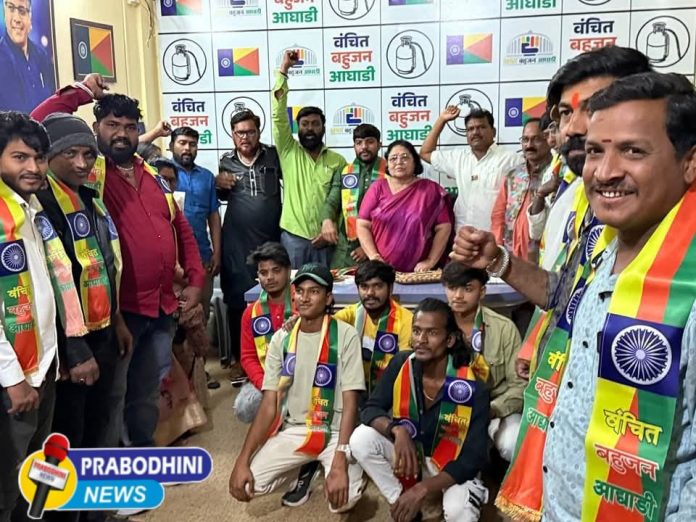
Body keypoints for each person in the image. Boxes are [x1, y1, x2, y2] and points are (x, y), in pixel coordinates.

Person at [458, 72, 696, 521]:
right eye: (596, 151)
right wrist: (499, 260)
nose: (605, 171)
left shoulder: (688, 285)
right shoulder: (604, 244)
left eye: (633, 151)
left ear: (689, 162)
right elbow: (561, 295)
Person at [31, 72, 206, 449]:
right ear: (96, 128)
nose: (122, 134)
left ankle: (138, 459)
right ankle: (112, 470)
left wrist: (195, 279)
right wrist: (80, 92)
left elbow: (180, 227)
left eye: (129, 126)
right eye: (112, 125)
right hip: (118, 312)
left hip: (160, 308)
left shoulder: (151, 172)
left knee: (146, 392)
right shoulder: (89, 172)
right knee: (111, 400)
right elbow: (37, 125)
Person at [35, 113, 132, 488]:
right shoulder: (42, 206)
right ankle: (66, 510)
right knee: (68, 437)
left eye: (88, 154)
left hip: (103, 330)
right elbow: (52, 284)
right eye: (70, 154)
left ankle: (94, 508)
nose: (81, 163)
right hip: (72, 345)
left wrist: (117, 319)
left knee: (98, 425)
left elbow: (103, 266)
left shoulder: (89, 197)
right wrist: (74, 351)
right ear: (48, 156)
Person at [0, 112, 87, 520]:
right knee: (7, 485)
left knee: (32, 475)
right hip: (13, 377)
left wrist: (56, 355)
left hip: (42, 366)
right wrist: (13, 379)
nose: (33, 167)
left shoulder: (30, 209)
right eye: (20, 157)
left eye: (38, 157)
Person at [229, 263, 366, 513]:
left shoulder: (345, 335)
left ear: (328, 298)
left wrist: (340, 459)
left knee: (343, 501)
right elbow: (269, 403)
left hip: (335, 432)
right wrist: (242, 459)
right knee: (248, 486)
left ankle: (344, 464)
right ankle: (302, 468)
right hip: (297, 429)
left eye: (314, 291)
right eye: (300, 291)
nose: (304, 297)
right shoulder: (282, 338)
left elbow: (350, 402)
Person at [350, 298, 490, 522]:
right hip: (412, 454)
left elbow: (473, 458)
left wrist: (422, 488)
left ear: (450, 339)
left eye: (432, 333)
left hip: (452, 466)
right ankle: (403, 504)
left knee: (459, 511)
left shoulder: (472, 387)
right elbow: (370, 408)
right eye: (416, 331)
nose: (421, 340)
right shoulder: (401, 364)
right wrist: (397, 430)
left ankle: (427, 496)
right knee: (361, 438)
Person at [217, 109, 282, 382]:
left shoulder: (273, 155)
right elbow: (218, 194)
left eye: (250, 131)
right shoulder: (226, 161)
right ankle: (238, 359)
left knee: (274, 299)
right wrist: (218, 183)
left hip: (272, 241)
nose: (245, 137)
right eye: (240, 133)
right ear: (233, 135)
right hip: (237, 243)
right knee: (237, 302)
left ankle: (275, 355)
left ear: (258, 132)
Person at [441, 263, 525, 462]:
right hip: (448, 410)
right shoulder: (436, 325)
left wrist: (491, 410)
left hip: (495, 409)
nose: (458, 296)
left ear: (482, 291)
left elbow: (519, 386)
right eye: (452, 288)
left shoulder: (504, 328)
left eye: (467, 289)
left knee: (512, 442)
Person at [273, 50, 347, 267]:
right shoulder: (288, 151)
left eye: (315, 124)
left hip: (328, 240)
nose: (310, 128)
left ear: (323, 127)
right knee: (294, 287)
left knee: (327, 287)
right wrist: (283, 71)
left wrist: (331, 229)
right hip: (294, 239)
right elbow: (278, 116)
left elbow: (343, 202)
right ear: (298, 128)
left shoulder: (338, 161)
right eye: (304, 124)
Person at [357, 140, 452, 273]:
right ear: (387, 164)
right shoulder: (377, 188)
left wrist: (431, 260)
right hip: (381, 271)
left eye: (405, 157)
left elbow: (444, 227)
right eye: (393, 158)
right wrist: (374, 257)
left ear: (415, 162)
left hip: (419, 273)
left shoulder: (430, 190)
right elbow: (362, 225)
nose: (399, 162)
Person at [420, 108, 518, 232]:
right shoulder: (459, 158)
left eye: (481, 127)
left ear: (493, 132)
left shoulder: (511, 159)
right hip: (462, 235)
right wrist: (442, 120)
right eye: (470, 129)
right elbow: (425, 152)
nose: (475, 132)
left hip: (495, 237)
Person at [333, 260, 413, 396]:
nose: (370, 293)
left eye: (377, 286)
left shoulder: (407, 320)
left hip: (391, 393)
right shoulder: (351, 314)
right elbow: (324, 328)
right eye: (364, 287)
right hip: (356, 390)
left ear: (390, 288)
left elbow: (405, 369)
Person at [235, 242, 292, 423]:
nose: (270, 278)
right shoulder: (251, 313)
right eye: (263, 273)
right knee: (244, 407)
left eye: (276, 271)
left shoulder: (303, 303)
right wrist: (267, 387)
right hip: (268, 379)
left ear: (288, 271)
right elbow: (248, 357)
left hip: (303, 377)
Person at [170, 126, 221, 321]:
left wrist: (217, 253)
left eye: (192, 144)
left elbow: (213, 216)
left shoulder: (206, 177)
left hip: (202, 256)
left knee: (201, 313)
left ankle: (201, 344)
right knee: (174, 316)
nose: (187, 148)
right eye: (182, 143)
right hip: (172, 259)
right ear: (171, 145)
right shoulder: (162, 173)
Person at [320, 123, 386, 269]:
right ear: (354, 146)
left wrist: (367, 246)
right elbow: (332, 201)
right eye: (359, 143)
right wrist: (326, 220)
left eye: (370, 142)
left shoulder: (390, 172)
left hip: (380, 247)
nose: (364, 147)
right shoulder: (344, 172)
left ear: (379, 144)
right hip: (346, 248)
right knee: (338, 282)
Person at [491, 118, 553, 263]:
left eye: (536, 139)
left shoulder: (556, 173)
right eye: (525, 140)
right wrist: (498, 248)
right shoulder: (513, 175)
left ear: (548, 139)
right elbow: (498, 214)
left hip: (546, 254)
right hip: (512, 256)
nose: (529, 145)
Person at [0, 0, 55, 113]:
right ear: (4, 13)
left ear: (30, 16)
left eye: (22, 11)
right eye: (11, 8)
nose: (16, 19)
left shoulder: (42, 56)